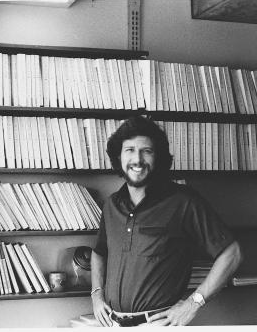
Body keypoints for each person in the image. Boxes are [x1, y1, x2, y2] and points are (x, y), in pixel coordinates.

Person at [91, 116, 242, 326]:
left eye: (147, 151)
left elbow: (232, 253)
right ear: (118, 158)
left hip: (159, 324)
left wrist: (193, 303)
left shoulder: (183, 201)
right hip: (112, 324)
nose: (138, 159)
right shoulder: (111, 204)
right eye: (130, 150)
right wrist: (96, 295)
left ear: (158, 158)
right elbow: (99, 253)